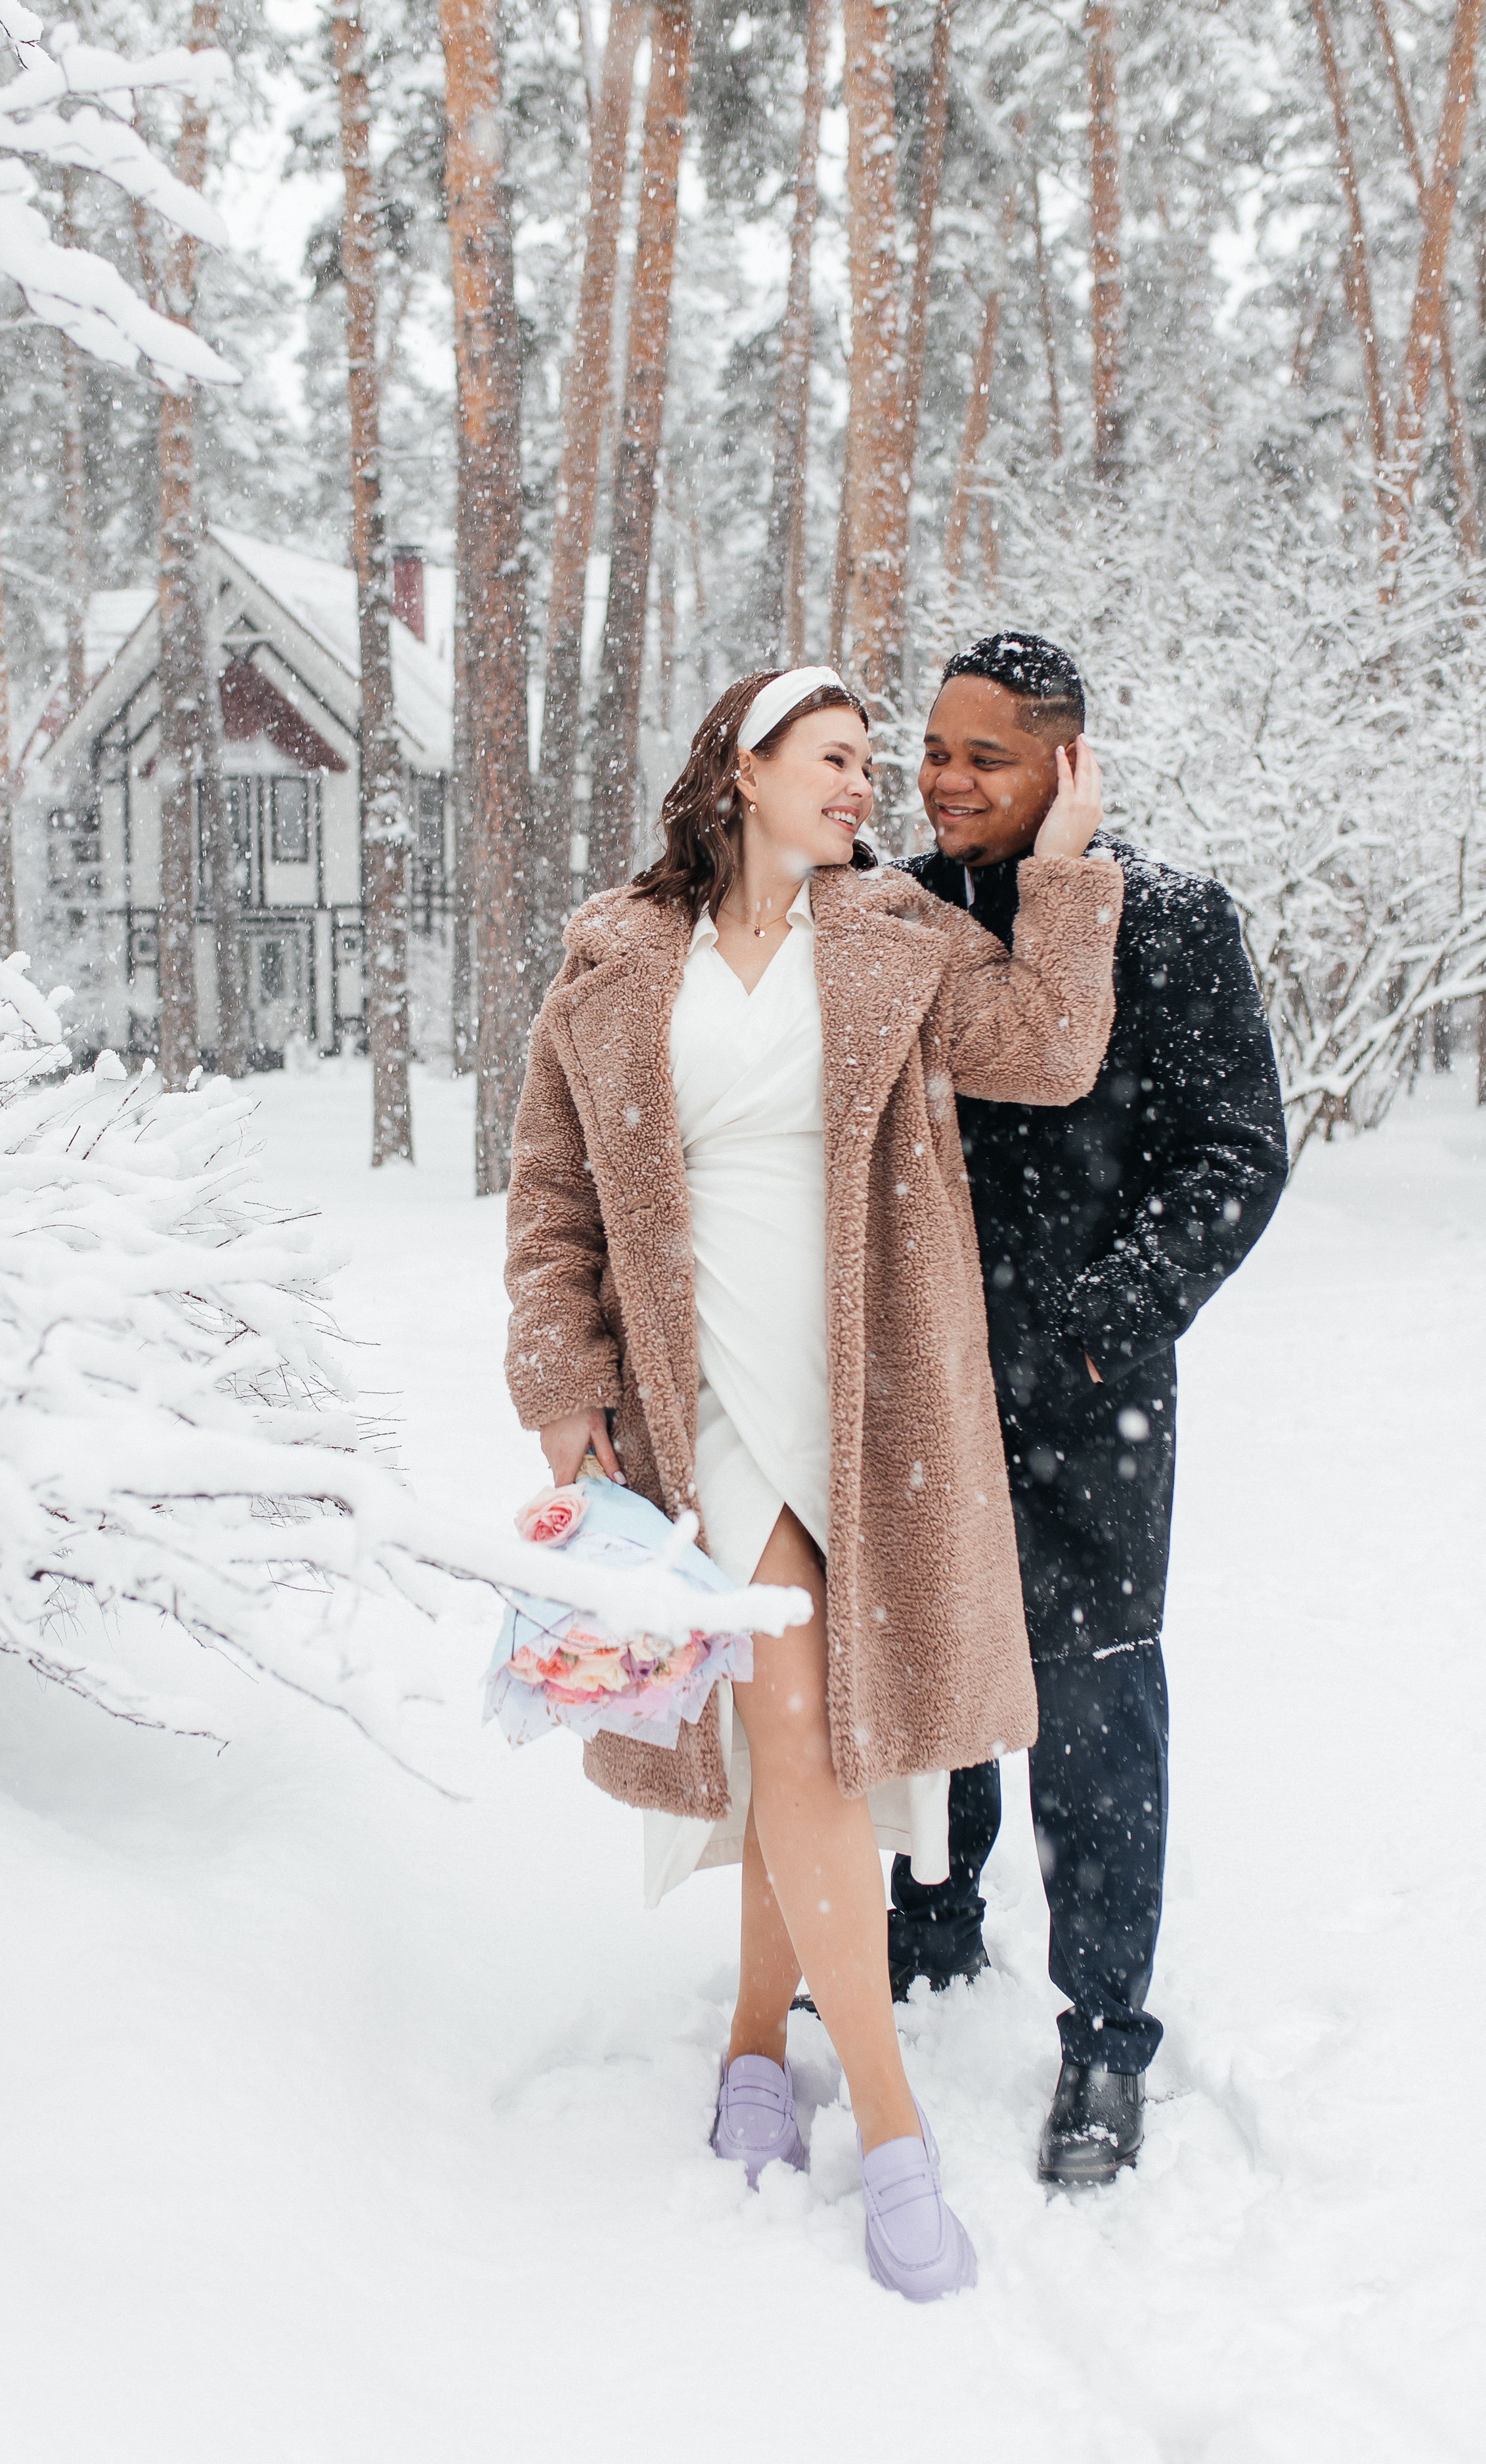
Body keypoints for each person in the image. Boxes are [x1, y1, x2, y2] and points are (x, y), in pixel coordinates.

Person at [504, 664, 1123, 2299]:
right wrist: (563, 1391)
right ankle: (897, 2139)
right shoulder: (614, 958)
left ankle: (750, 2059)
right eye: (837, 760)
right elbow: (551, 1197)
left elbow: (1053, 1050)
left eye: (870, 765)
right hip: (698, 1391)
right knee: (789, 1723)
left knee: (801, 1737)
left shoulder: (896, 938)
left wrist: (1063, 862)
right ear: (745, 769)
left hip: (866, 1383)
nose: (868, 789)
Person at [889, 632, 1288, 2188]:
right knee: (933, 1659)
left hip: (1087, 1390)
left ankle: (1104, 2039)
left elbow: (1231, 1151)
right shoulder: (892, 916)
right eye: (930, 749)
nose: (940, 780)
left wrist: (1108, 1324)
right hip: (912, 1375)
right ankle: (928, 1930)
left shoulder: (1173, 921)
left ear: (1064, 761)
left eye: (979, 756)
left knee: (1092, 1701)